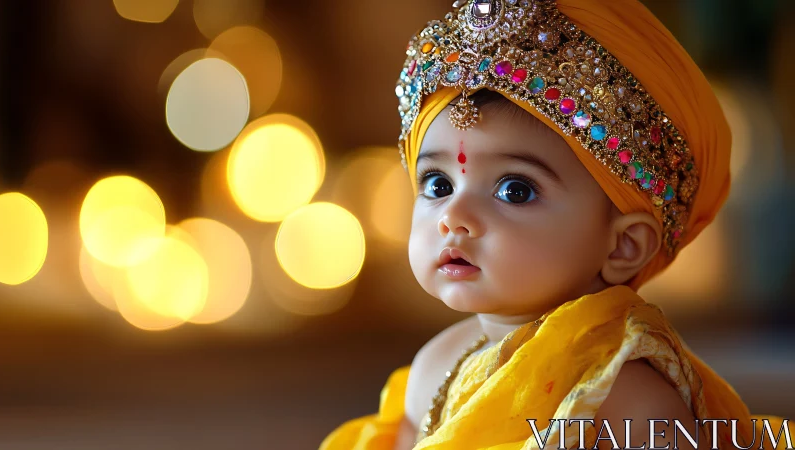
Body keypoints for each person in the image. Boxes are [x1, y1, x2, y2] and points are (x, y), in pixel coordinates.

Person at [320, 0, 793, 448]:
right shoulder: (435, 365)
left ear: (624, 246)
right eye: (438, 184)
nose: (454, 218)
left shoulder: (622, 396)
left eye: (514, 191)